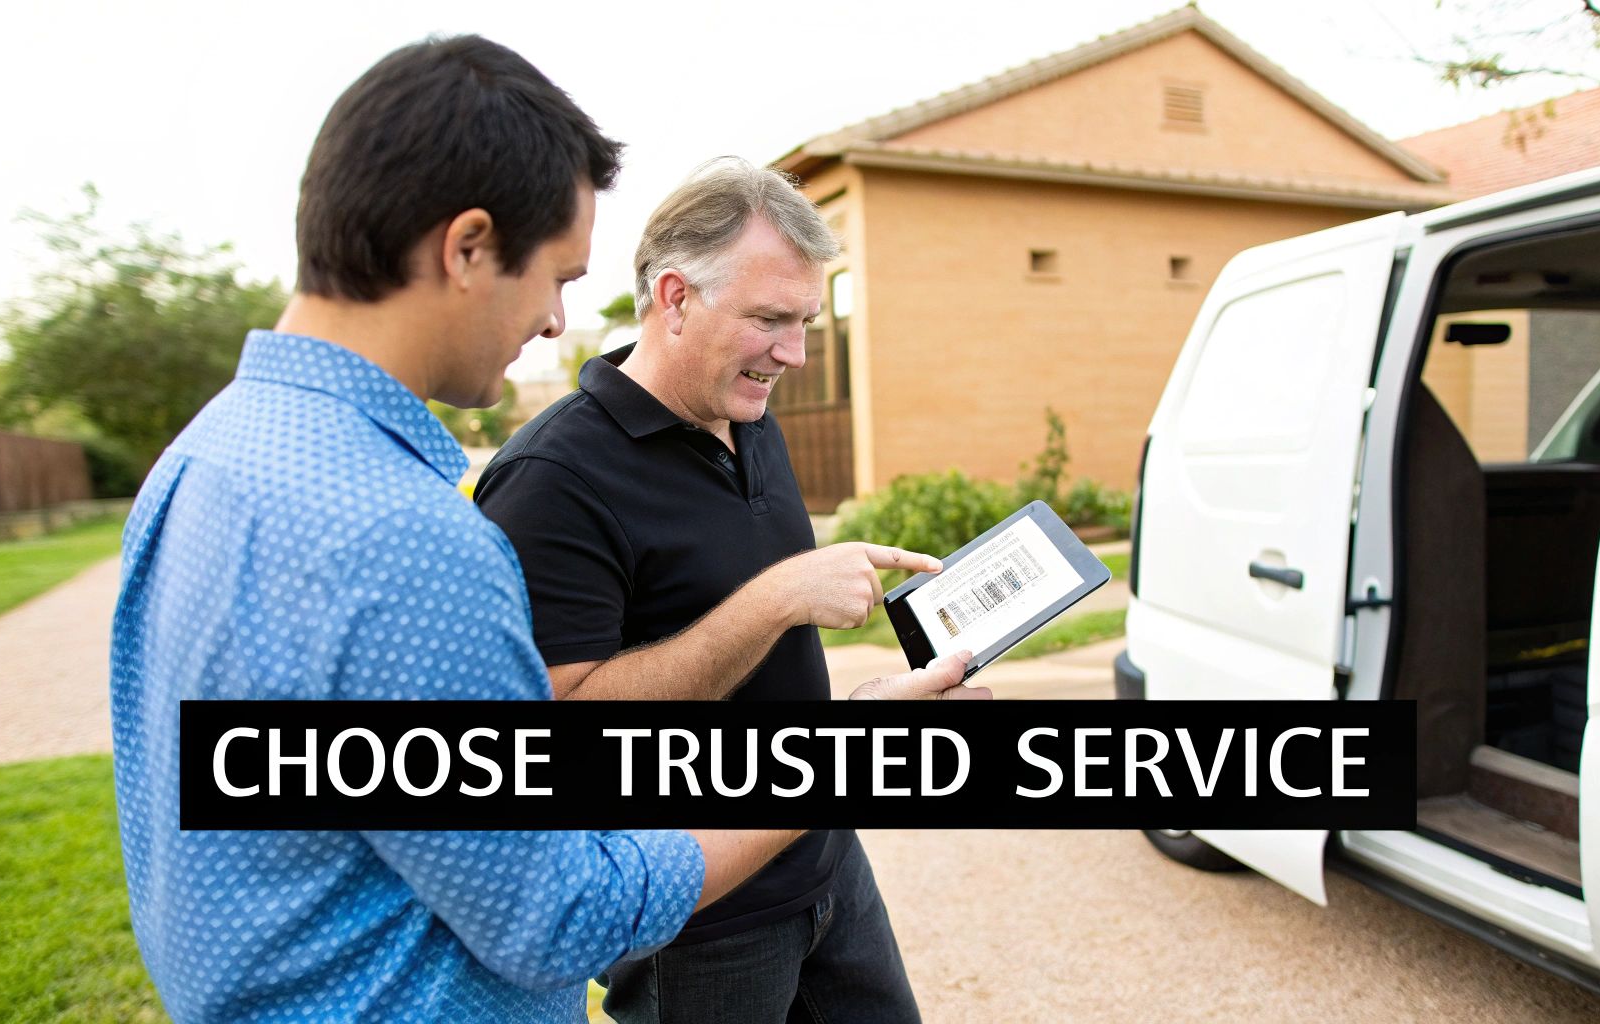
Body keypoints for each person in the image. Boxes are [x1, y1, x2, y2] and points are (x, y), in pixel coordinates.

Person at [108, 40, 970, 1024]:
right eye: (556, 277)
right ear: (467, 246)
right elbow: (559, 912)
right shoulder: (405, 538)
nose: (559, 322)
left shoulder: (199, 458)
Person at [474, 158, 985, 1024]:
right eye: (769, 320)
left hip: (826, 856)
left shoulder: (751, 415)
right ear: (674, 298)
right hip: (696, 921)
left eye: (807, 321)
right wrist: (777, 597)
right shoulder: (550, 479)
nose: (793, 352)